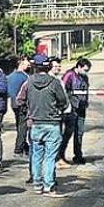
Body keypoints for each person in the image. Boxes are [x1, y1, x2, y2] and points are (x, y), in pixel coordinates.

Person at [17, 54, 68, 197]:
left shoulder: (28, 82)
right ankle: (49, 186)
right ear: (48, 66)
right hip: (52, 123)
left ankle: (37, 185)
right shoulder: (54, 82)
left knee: (36, 156)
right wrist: (57, 109)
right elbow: (63, 101)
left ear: (34, 66)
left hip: (35, 124)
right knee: (50, 157)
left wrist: (29, 111)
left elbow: (19, 100)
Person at [60, 57, 91, 164]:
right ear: (79, 66)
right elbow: (62, 90)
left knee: (80, 132)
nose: (86, 73)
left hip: (81, 108)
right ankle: (60, 155)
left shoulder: (85, 77)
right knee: (68, 132)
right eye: (85, 70)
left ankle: (78, 155)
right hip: (71, 109)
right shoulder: (69, 75)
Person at [7, 56, 32, 157]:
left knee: (19, 125)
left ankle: (25, 147)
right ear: (20, 63)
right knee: (23, 127)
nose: (28, 63)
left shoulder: (10, 76)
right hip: (23, 104)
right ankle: (18, 149)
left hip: (14, 104)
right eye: (26, 61)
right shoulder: (24, 77)